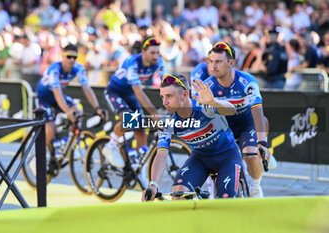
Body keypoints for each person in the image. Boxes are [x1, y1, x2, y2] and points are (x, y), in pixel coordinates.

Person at [142, 74, 241, 201]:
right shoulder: (167, 121)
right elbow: (161, 154)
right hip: (200, 159)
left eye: (169, 96)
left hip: (227, 156)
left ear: (184, 95)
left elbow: (232, 110)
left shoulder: (203, 106)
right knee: (178, 195)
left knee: (225, 203)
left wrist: (213, 102)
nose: (164, 102)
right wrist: (153, 185)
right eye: (162, 97)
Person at [204, 42, 272, 198]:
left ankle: (255, 188)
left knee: (250, 155)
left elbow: (257, 111)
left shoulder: (247, 81)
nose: (213, 66)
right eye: (211, 61)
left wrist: (262, 143)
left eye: (218, 62)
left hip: (245, 125)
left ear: (231, 63)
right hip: (222, 127)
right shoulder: (208, 85)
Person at [36, 43, 107, 175]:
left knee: (78, 113)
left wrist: (97, 108)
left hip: (59, 95)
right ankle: (38, 154)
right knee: (50, 129)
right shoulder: (54, 69)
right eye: (68, 57)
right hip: (44, 96)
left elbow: (87, 88)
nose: (72, 60)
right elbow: (57, 94)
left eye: (75, 57)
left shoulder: (78, 68)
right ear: (63, 56)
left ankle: (64, 143)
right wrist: (68, 112)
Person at [102, 37, 165, 170]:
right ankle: (110, 146)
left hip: (130, 94)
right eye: (152, 53)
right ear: (143, 52)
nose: (156, 56)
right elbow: (138, 91)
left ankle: (136, 166)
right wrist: (154, 112)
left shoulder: (159, 62)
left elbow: (166, 84)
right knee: (129, 118)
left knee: (141, 129)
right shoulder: (132, 62)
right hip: (115, 91)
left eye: (157, 53)